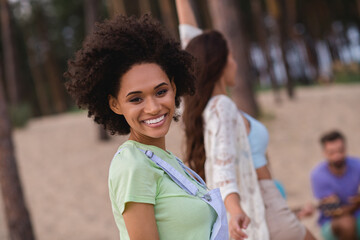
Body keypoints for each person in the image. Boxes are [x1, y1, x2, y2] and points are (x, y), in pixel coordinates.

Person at [64, 14, 228, 240]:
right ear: (115, 104)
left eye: (161, 92)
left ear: (173, 86)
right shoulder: (132, 165)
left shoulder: (163, 159)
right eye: (136, 99)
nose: (153, 107)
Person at [175, 1, 315, 240]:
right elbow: (222, 168)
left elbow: (193, 44)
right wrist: (235, 208)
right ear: (218, 64)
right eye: (230, 57)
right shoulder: (222, 107)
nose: (235, 62)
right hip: (265, 206)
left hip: (262, 205)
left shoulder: (209, 106)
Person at [311, 130, 360, 240]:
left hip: (356, 213)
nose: (337, 156)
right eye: (332, 153)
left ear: (346, 149)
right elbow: (335, 212)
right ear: (324, 153)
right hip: (331, 221)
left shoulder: (357, 165)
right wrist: (356, 203)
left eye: (340, 151)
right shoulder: (318, 175)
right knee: (347, 224)